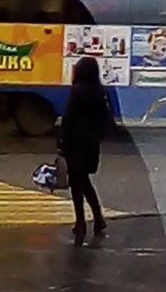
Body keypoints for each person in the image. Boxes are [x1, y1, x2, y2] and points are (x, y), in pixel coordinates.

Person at [57, 56, 114, 246]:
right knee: (84, 181)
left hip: (75, 143)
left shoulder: (77, 91)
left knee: (77, 184)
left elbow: (68, 119)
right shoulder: (100, 92)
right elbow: (106, 119)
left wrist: (61, 143)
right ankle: (97, 218)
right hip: (91, 144)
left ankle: (81, 222)